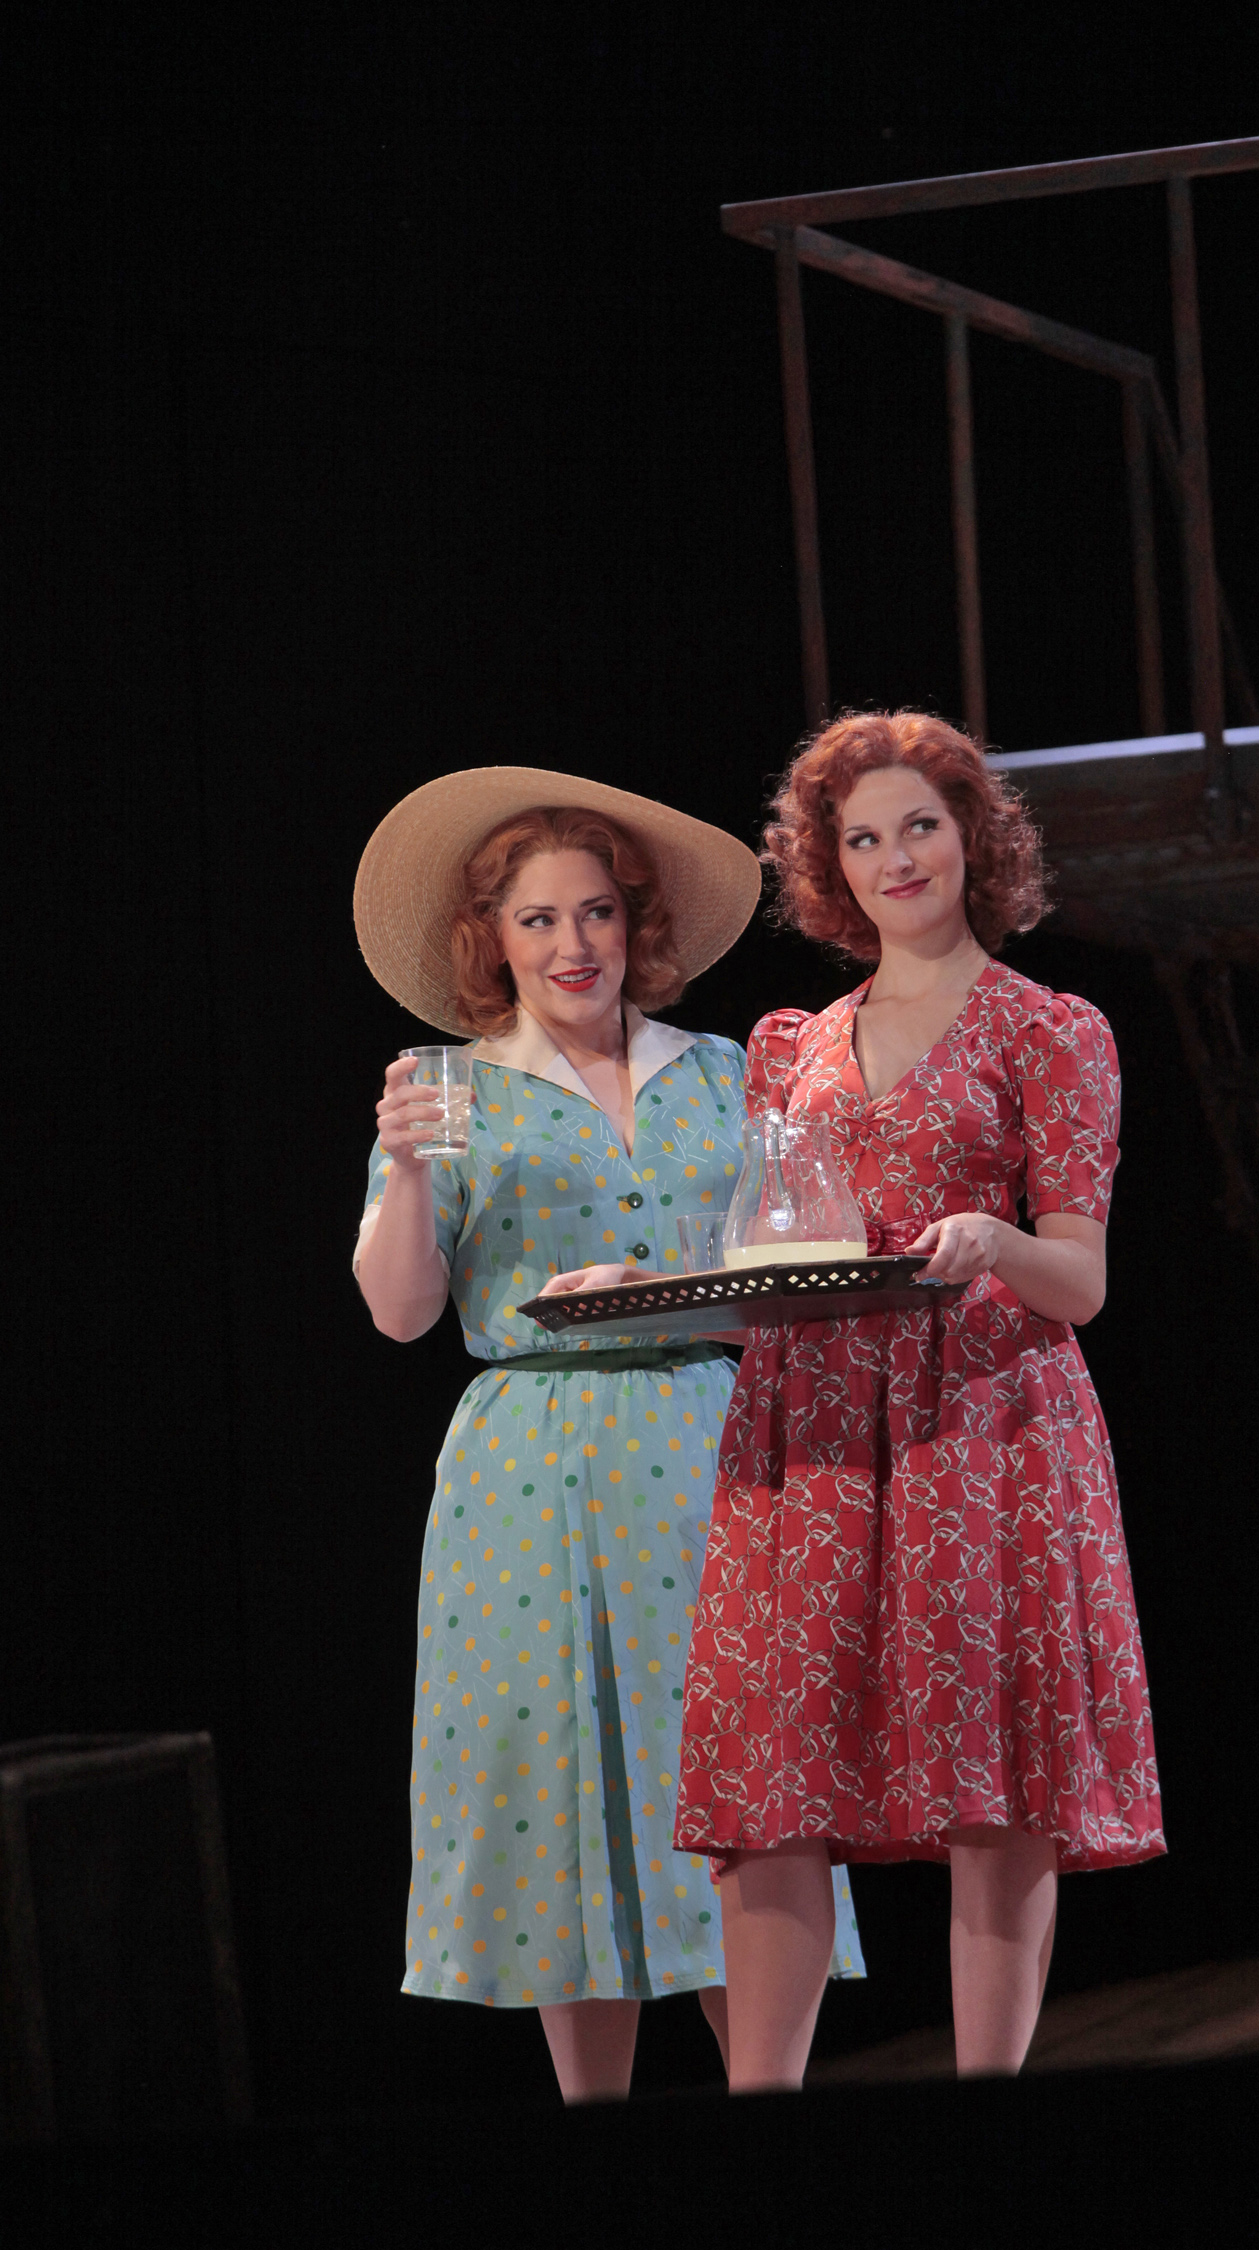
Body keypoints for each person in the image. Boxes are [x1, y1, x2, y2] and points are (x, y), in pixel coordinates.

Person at [351, 766, 863, 2104]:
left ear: (634, 924)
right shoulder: (450, 1087)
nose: (573, 946)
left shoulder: (725, 1070)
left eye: (595, 914)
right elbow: (402, 1311)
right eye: (538, 921)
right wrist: (405, 1165)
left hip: (710, 1439)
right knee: (560, 1787)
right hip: (530, 1462)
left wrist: (713, 1292)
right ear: (493, 939)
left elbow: (791, 1260)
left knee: (745, 1787)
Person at [672, 712, 1164, 2092]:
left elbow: (1081, 1278)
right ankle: (758, 2104)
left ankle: (985, 2102)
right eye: (862, 836)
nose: (896, 857)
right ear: (831, 864)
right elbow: (775, 1235)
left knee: (989, 1788)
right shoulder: (790, 1045)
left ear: (974, 838)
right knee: (776, 1784)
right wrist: (666, 1278)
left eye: (921, 826)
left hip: (984, 1421)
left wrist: (995, 1240)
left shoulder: (1050, 1029)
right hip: (813, 1423)